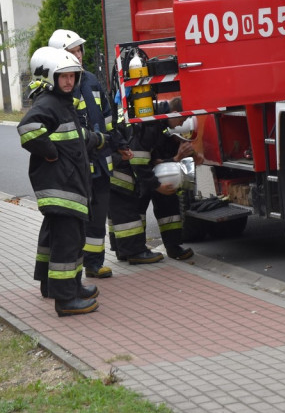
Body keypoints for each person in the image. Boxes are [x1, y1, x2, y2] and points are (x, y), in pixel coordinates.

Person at [17, 46, 105, 317]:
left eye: (73, 76)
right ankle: (66, 300)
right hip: (62, 189)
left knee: (62, 238)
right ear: (50, 77)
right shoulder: (49, 103)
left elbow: (74, 137)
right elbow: (28, 129)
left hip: (66, 188)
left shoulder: (62, 103)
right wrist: (51, 153)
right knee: (68, 242)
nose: (69, 82)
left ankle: (61, 285)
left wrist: (100, 140)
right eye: (63, 76)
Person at [48, 29, 125, 280]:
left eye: (80, 50)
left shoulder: (90, 80)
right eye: (73, 52)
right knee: (75, 220)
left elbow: (107, 116)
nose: (79, 56)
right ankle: (72, 268)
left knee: (97, 216)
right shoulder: (57, 87)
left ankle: (94, 263)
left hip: (101, 161)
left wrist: (118, 144)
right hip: (76, 166)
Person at [119, 96, 194, 263]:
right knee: (135, 209)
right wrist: (157, 185)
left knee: (168, 203)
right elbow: (138, 162)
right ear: (174, 114)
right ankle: (132, 251)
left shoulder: (160, 120)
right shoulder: (151, 122)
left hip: (139, 166)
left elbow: (158, 149)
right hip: (128, 169)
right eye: (182, 120)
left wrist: (174, 157)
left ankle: (173, 246)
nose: (181, 125)